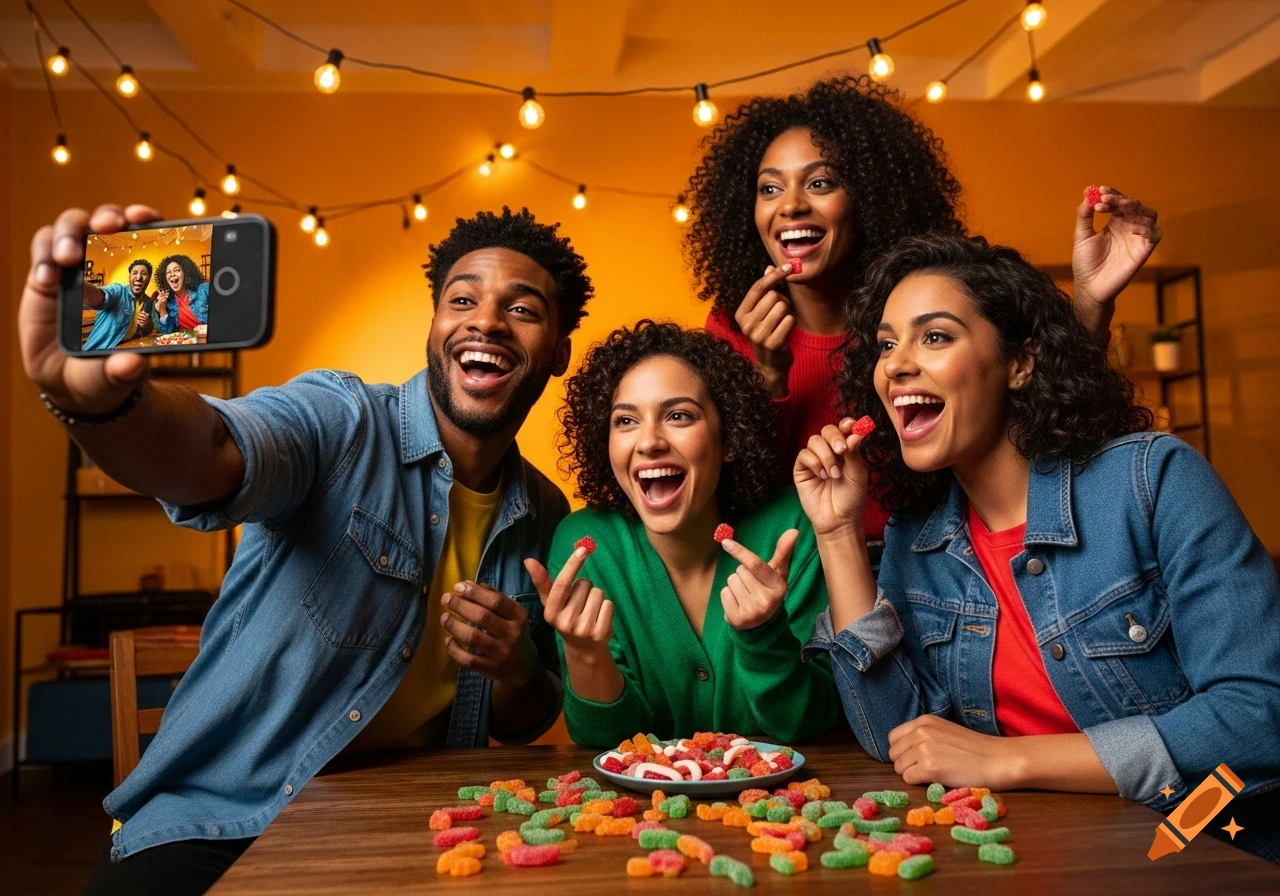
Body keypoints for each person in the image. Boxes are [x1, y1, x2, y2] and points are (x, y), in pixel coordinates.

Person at [20, 203, 594, 893]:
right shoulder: (343, 420)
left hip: (413, 819)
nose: (486, 321)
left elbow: (525, 717)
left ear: (558, 350)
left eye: (523, 309)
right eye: (462, 299)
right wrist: (97, 406)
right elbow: (213, 451)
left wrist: (518, 669)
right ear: (436, 327)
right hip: (227, 815)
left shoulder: (544, 514)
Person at [801, 232, 1280, 863]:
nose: (896, 364)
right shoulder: (914, 537)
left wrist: (1011, 760)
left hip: (1208, 844)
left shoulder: (1153, 481)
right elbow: (900, 739)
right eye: (887, 345)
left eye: (935, 336)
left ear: (1020, 363)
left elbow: (1259, 715)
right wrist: (837, 534)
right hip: (1031, 851)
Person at [683, 75, 1162, 548]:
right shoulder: (732, 328)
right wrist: (768, 375)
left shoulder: (932, 313)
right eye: (769, 189)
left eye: (820, 182)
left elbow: (1041, 405)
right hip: (798, 574)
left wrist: (1090, 303)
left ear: (870, 197)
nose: (790, 205)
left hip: (937, 561)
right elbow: (728, 493)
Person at [534, 321, 839, 748]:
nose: (649, 442)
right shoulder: (586, 546)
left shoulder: (792, 526)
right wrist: (586, 656)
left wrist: (764, 636)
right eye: (626, 421)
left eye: (678, 416)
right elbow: (607, 741)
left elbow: (812, 722)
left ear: (728, 437)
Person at [81, 257, 156, 350]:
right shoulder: (118, 291)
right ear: (130, 277)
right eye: (135, 273)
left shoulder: (148, 302)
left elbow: (145, 332)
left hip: (124, 351)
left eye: (144, 274)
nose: (139, 277)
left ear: (149, 279)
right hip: (97, 352)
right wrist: (77, 283)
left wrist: (147, 325)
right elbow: (100, 297)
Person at [152, 254, 210, 333]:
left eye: (177, 270)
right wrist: (162, 308)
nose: (172, 274)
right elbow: (166, 331)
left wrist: (209, 328)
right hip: (187, 341)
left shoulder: (204, 289)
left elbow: (226, 315)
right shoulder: (169, 301)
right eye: (168, 272)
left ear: (185, 273)